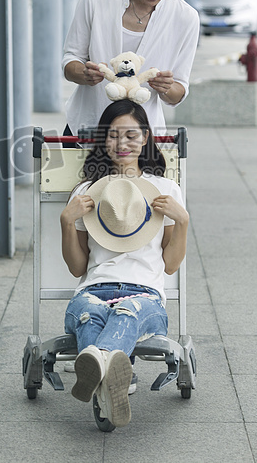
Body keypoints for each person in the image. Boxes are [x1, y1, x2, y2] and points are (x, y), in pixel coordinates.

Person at [60, 99, 189, 427]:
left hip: (144, 296)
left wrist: (183, 222)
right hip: (92, 289)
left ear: (146, 137)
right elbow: (78, 268)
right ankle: (112, 378)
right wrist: (66, 221)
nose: (122, 144)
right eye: (113, 135)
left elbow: (171, 265)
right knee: (89, 312)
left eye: (130, 135)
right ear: (104, 139)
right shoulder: (87, 192)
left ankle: (99, 372)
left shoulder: (164, 190)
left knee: (125, 311)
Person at [62, 0, 199, 137]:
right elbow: (70, 61)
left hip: (142, 142)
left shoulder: (186, 18)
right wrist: (84, 74)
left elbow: (179, 90)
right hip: (86, 128)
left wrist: (166, 88)